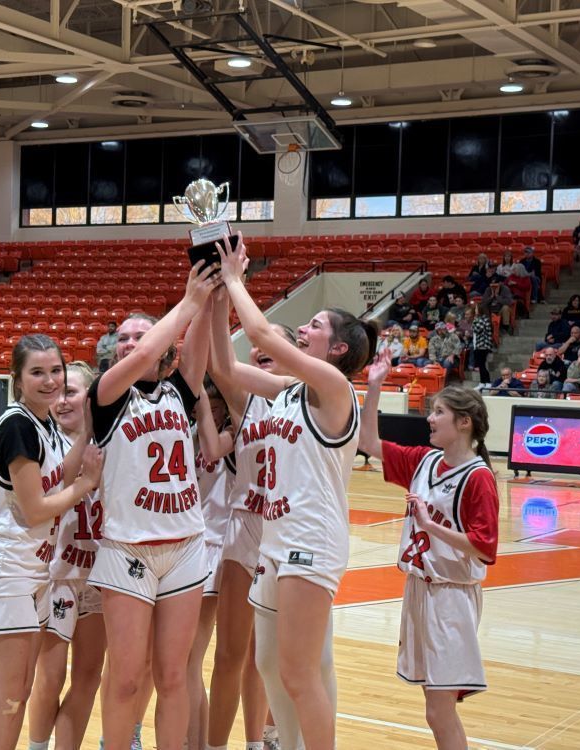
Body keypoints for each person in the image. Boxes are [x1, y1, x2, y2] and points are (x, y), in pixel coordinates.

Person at [216, 233, 374, 750]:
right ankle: (286, 744)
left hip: (313, 539)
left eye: (314, 326)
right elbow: (224, 367)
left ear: (338, 348)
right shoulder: (288, 391)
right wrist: (219, 296)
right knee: (266, 665)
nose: (305, 329)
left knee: (299, 672)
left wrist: (239, 280)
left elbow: (261, 336)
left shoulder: (334, 388)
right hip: (275, 540)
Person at [87, 261, 219, 750]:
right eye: (122, 337)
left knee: (173, 675)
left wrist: (211, 292)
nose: (131, 343)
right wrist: (186, 300)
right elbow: (147, 352)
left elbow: (198, 345)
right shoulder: (106, 397)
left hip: (184, 546)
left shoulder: (178, 392)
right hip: (128, 550)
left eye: (139, 335)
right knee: (125, 676)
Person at [0, 335, 103, 750]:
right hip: (6, 570)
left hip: (33, 571)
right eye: (38, 372)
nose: (50, 381)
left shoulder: (42, 423)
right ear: (17, 378)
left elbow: (55, 475)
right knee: (5, 699)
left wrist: (88, 435)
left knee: (19, 694)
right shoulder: (17, 425)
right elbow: (34, 509)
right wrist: (87, 485)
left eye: (56, 370)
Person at [358, 375, 498, 750]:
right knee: (434, 709)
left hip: (451, 598)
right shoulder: (425, 460)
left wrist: (428, 524)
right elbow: (368, 443)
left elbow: (484, 548)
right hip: (420, 589)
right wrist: (373, 387)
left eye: (439, 412)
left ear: (464, 422)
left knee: (439, 712)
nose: (430, 419)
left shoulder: (478, 478)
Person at [207, 311, 297, 750]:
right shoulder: (245, 400)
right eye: (257, 348)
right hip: (245, 526)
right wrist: (219, 292)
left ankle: (262, 739)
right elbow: (218, 360)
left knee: (270, 657)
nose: (260, 349)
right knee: (231, 653)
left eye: (273, 343)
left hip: (287, 532)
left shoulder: (311, 398)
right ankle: (216, 745)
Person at [28, 361, 107, 750]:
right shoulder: (45, 440)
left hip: (100, 574)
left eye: (71, 393)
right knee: (51, 675)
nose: (61, 401)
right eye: (59, 394)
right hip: (57, 574)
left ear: (90, 399)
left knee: (89, 675)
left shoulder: (111, 444)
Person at [187, 384, 236, 750]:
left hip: (218, 545)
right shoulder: (187, 434)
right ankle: (197, 742)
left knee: (191, 656)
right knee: (187, 659)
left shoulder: (235, 434)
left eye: (216, 402)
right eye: (206, 402)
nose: (210, 409)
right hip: (190, 544)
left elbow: (213, 449)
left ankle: (197, 743)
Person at [470, 303, 493, 389]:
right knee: (480, 365)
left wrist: (474, 322)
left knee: (482, 364)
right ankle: (482, 382)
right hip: (477, 344)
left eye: (476, 309)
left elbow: (477, 329)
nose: (475, 310)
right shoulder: (478, 319)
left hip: (483, 345)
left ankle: (488, 382)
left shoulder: (483, 319)